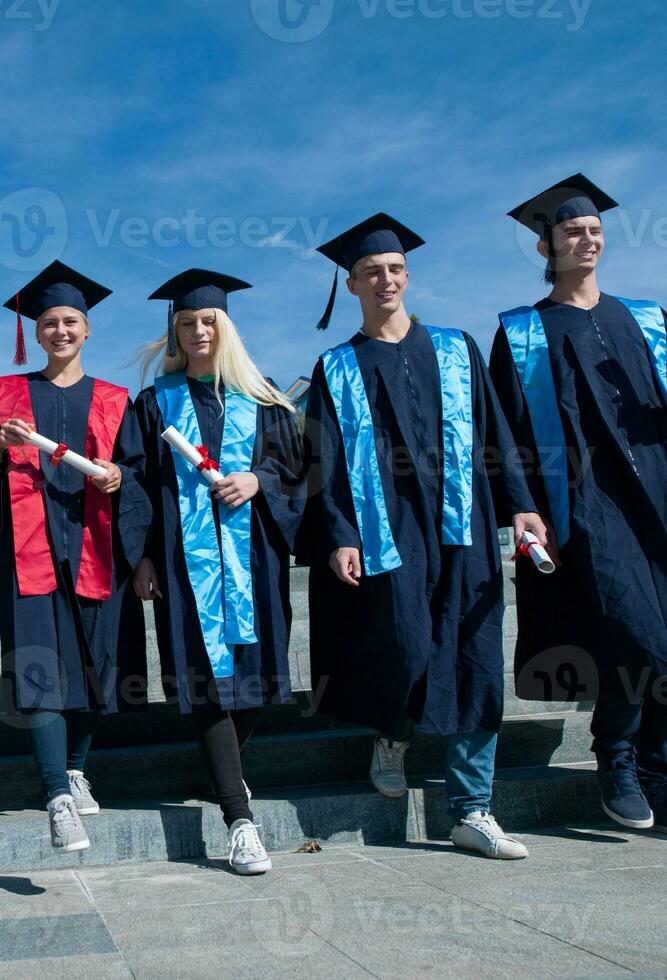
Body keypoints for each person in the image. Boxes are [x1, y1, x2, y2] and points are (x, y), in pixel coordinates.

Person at [301, 215, 546, 860]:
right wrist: (339, 532)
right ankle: (394, 734)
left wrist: (520, 505)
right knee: (405, 642)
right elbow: (323, 460)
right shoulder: (336, 366)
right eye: (371, 272)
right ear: (351, 283)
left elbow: (496, 434)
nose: (385, 279)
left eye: (394, 270)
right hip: (390, 528)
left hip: (463, 522)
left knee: (475, 656)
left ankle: (472, 808)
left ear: (407, 277)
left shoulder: (456, 348)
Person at [489, 174, 667, 830]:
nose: (587, 239)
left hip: (656, 490)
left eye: (594, 230)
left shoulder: (645, 319)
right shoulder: (522, 332)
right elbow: (501, 430)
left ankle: (654, 767)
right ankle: (614, 756)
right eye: (572, 231)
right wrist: (521, 505)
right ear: (545, 248)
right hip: (586, 501)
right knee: (632, 629)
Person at [0, 261, 150, 852]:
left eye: (70, 321)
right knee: (41, 667)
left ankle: (74, 767)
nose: (60, 331)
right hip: (31, 552)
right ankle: (56, 795)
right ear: (34, 333)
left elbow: (145, 474)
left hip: (100, 548)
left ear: (87, 329)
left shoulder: (120, 400)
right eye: (48, 323)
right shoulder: (5, 394)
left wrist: (124, 478)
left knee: (99, 663)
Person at [131, 270, 303, 874]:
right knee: (206, 680)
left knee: (251, 680)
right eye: (186, 323)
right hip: (186, 567)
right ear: (174, 332)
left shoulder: (262, 397)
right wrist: (145, 554)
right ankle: (238, 817)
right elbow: (138, 484)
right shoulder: (155, 403)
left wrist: (260, 480)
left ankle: (223, 772)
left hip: (254, 560)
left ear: (224, 328)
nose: (198, 331)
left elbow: (297, 471)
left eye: (208, 322)